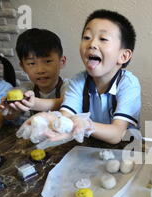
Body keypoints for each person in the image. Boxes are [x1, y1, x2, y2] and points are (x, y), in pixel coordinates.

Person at [56, 9, 140, 145]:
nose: (92, 44)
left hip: (125, 149)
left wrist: (84, 124)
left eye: (103, 39)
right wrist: (46, 120)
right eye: (87, 37)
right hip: (86, 146)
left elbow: (117, 134)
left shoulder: (128, 84)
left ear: (123, 56)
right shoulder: (78, 81)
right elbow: (65, 117)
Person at [2, 28, 68, 118]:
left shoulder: (69, 87)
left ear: (62, 62)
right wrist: (11, 109)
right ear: (23, 67)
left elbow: (65, 103)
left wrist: (33, 103)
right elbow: (12, 117)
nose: (40, 70)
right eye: (32, 63)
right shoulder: (26, 89)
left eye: (47, 61)